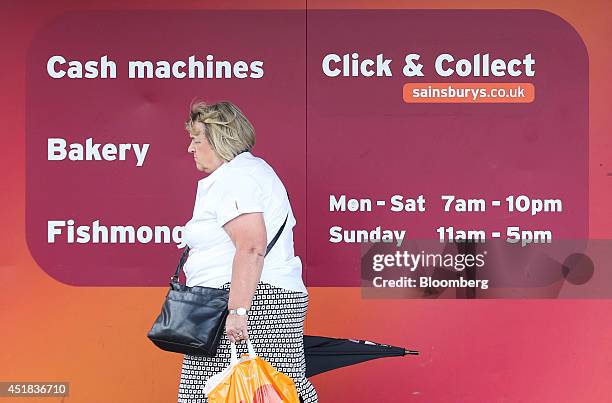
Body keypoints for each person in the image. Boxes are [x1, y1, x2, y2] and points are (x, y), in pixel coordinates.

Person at [177, 101, 318, 402]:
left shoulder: (237, 178)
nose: (190, 148)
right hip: (245, 301)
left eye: (197, 140)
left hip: (251, 304)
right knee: (271, 390)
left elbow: (252, 246)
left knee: (215, 393)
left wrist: (238, 311)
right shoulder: (245, 173)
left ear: (218, 140)